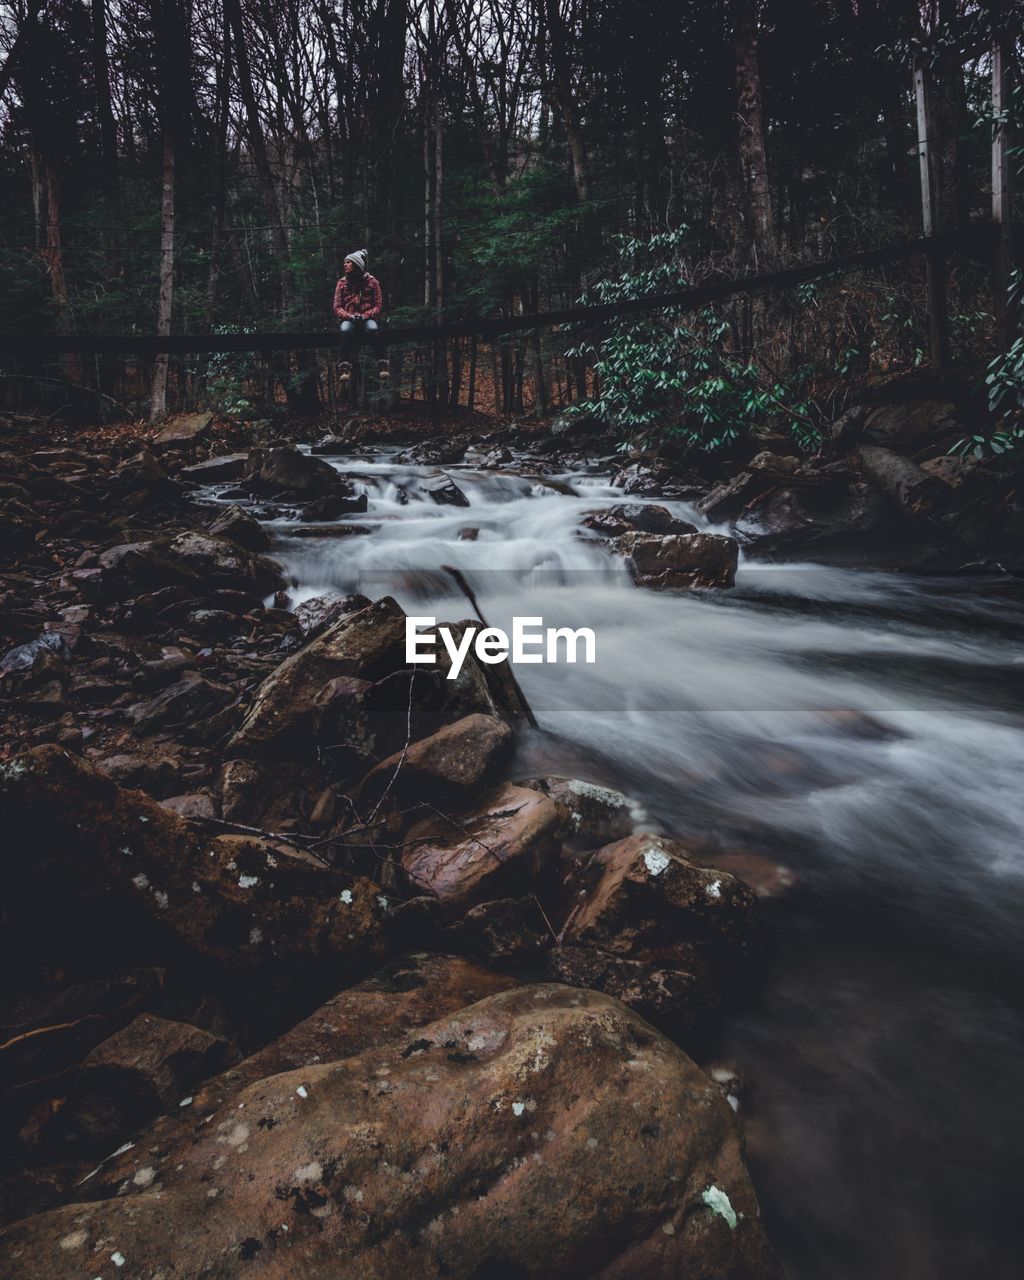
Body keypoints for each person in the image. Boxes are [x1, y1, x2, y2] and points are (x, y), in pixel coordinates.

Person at [332, 249, 388, 383]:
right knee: (345, 331)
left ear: (356, 265)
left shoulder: (373, 282)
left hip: (367, 318)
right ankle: (345, 368)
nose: (344, 265)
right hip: (349, 318)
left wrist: (366, 315)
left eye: (348, 262)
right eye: (344, 262)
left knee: (373, 330)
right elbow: (337, 306)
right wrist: (349, 316)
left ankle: (382, 366)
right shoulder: (341, 283)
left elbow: (378, 305)